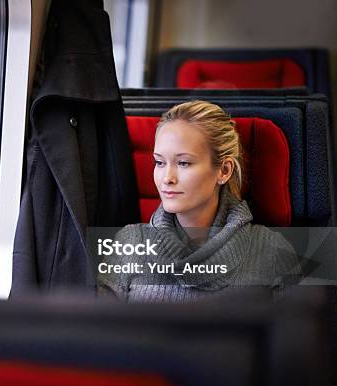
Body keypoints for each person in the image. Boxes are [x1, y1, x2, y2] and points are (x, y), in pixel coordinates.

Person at [97, 100, 300, 302]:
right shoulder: (129, 243)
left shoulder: (272, 251)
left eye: (183, 163)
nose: (167, 178)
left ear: (224, 170)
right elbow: (99, 331)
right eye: (159, 162)